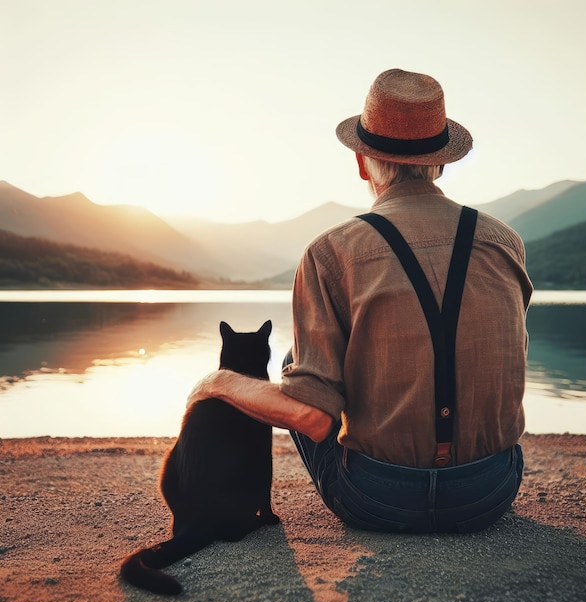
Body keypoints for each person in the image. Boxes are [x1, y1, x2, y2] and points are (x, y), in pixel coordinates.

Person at [188, 68, 533, 533]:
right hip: (489, 493)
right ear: (442, 162)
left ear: (361, 162)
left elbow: (309, 417)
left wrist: (219, 383)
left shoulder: (331, 252)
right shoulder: (504, 242)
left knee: (300, 365)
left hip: (378, 501)